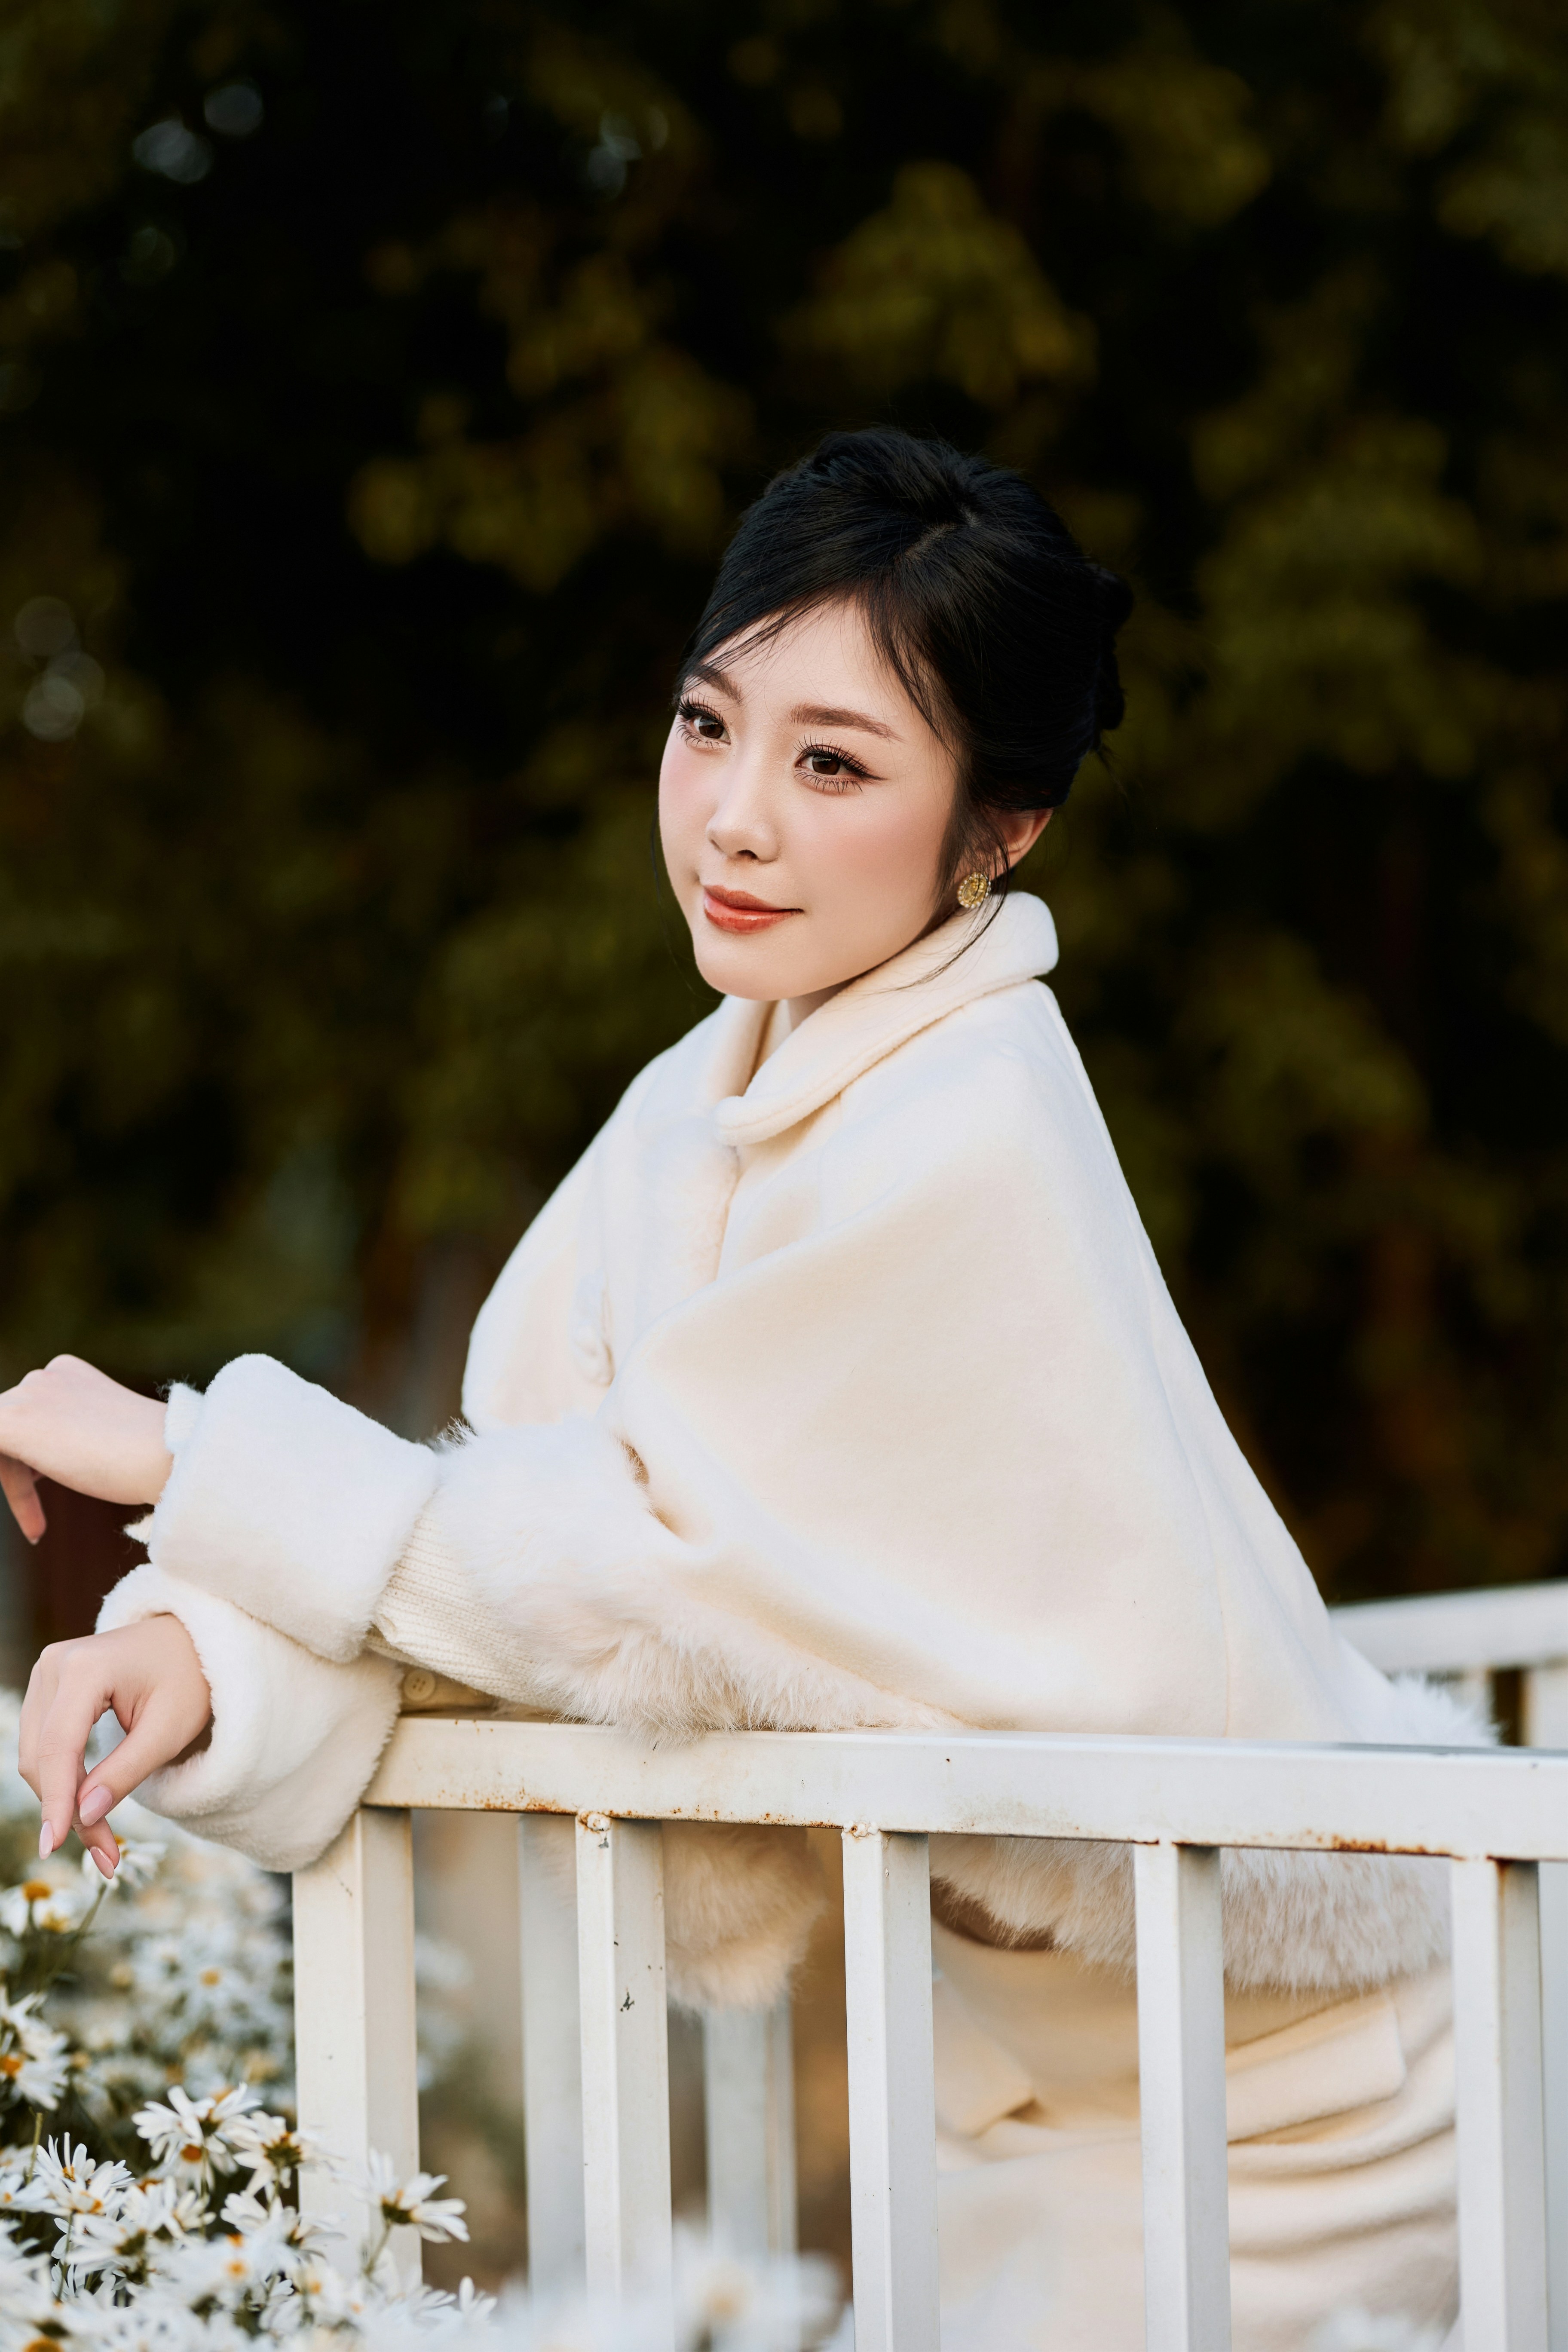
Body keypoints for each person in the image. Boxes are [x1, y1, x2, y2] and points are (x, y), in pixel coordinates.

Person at [0, 429, 1471, 2348]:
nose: (734, 820)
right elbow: (510, 1509)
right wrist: (212, 1641)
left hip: (1294, 2118)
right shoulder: (708, 1088)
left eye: (834, 762)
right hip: (1038, 2095)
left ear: (999, 829)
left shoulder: (977, 1117)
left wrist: (191, 1455)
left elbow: (654, 1574)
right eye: (709, 727)